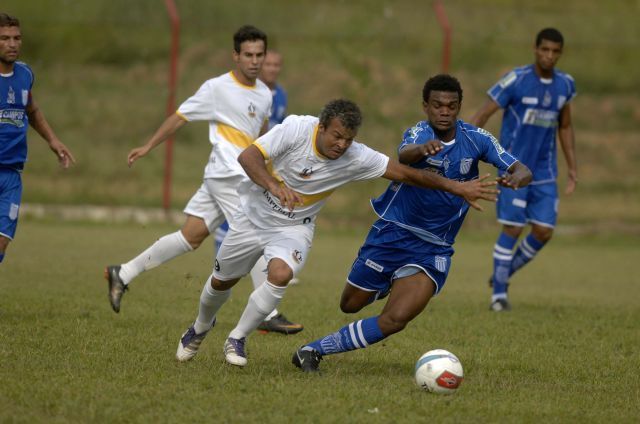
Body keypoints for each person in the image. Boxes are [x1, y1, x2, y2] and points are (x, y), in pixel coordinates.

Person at [174, 97, 504, 367]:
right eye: (336, 136)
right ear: (321, 127)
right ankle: (201, 327)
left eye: (348, 139)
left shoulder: (356, 156)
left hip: (294, 227)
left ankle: (238, 338)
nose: (341, 145)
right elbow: (249, 157)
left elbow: (406, 173)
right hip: (250, 218)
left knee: (280, 273)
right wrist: (275, 186)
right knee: (222, 281)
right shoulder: (295, 129)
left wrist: (456, 187)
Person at [290, 75, 531, 372]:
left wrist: (515, 178)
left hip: (434, 248)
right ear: (426, 106)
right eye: (437, 105)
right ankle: (389, 282)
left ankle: (312, 351)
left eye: (451, 106)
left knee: (395, 320)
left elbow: (521, 168)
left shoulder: (477, 139)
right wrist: (423, 151)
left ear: (459, 107)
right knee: (350, 304)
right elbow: (404, 154)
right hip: (393, 233)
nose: (444, 111)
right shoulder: (418, 133)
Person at [104, 25, 302, 334]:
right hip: (227, 174)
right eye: (247, 55)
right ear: (235, 56)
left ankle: (123, 272)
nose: (254, 61)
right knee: (256, 231)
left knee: (190, 237)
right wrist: (147, 146)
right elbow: (180, 116)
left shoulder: (265, 93)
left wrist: (274, 169)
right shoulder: (216, 88)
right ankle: (268, 312)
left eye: (259, 55)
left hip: (234, 173)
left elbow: (261, 137)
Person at [469, 28, 577, 312]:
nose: (549, 56)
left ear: (560, 54)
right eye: (545, 50)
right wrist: (465, 152)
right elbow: (482, 115)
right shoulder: (516, 80)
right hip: (514, 170)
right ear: (535, 48)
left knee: (543, 231)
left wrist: (573, 167)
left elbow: (565, 126)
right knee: (514, 228)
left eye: (555, 51)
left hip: (545, 173)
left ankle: (503, 273)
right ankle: (499, 298)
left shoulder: (565, 85)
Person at [0, 13, 75, 264]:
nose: (12, 44)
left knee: (2, 241)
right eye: (5, 38)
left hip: (11, 173)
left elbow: (31, 109)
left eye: (17, 38)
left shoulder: (24, 74)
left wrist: (52, 140)